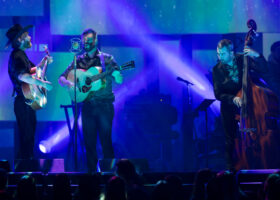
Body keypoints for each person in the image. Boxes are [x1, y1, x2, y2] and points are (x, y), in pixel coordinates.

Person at [59, 28, 123, 173]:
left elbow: (118, 75)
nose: (86, 43)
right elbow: (61, 78)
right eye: (84, 41)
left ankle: (110, 175)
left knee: (106, 142)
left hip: (105, 106)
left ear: (96, 40)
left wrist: (118, 76)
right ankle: (92, 176)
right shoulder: (78, 60)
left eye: (89, 40)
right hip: (87, 106)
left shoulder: (107, 58)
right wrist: (70, 84)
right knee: (89, 143)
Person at [212, 39, 267, 170]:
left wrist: (257, 56)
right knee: (230, 139)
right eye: (218, 53)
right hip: (229, 108)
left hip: (250, 105)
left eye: (223, 53)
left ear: (231, 52)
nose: (220, 57)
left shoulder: (243, 59)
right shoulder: (216, 69)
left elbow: (264, 69)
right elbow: (218, 94)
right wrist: (233, 99)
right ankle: (230, 169)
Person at [6, 24, 53, 159]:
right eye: (27, 35)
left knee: (29, 140)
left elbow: (34, 72)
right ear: (20, 39)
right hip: (23, 102)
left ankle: (26, 171)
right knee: (26, 141)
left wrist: (45, 62)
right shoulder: (17, 55)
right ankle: (24, 173)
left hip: (27, 102)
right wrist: (42, 83)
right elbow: (22, 76)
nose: (30, 37)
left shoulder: (22, 55)